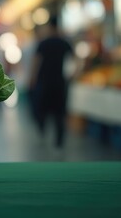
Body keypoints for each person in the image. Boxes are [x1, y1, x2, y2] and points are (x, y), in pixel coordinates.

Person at [30, 16, 73, 148]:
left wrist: (32, 78)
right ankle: (59, 142)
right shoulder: (64, 43)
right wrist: (73, 75)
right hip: (60, 82)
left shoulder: (43, 43)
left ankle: (42, 130)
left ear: (50, 27)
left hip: (44, 82)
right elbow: (76, 60)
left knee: (41, 109)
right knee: (59, 113)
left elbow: (36, 62)